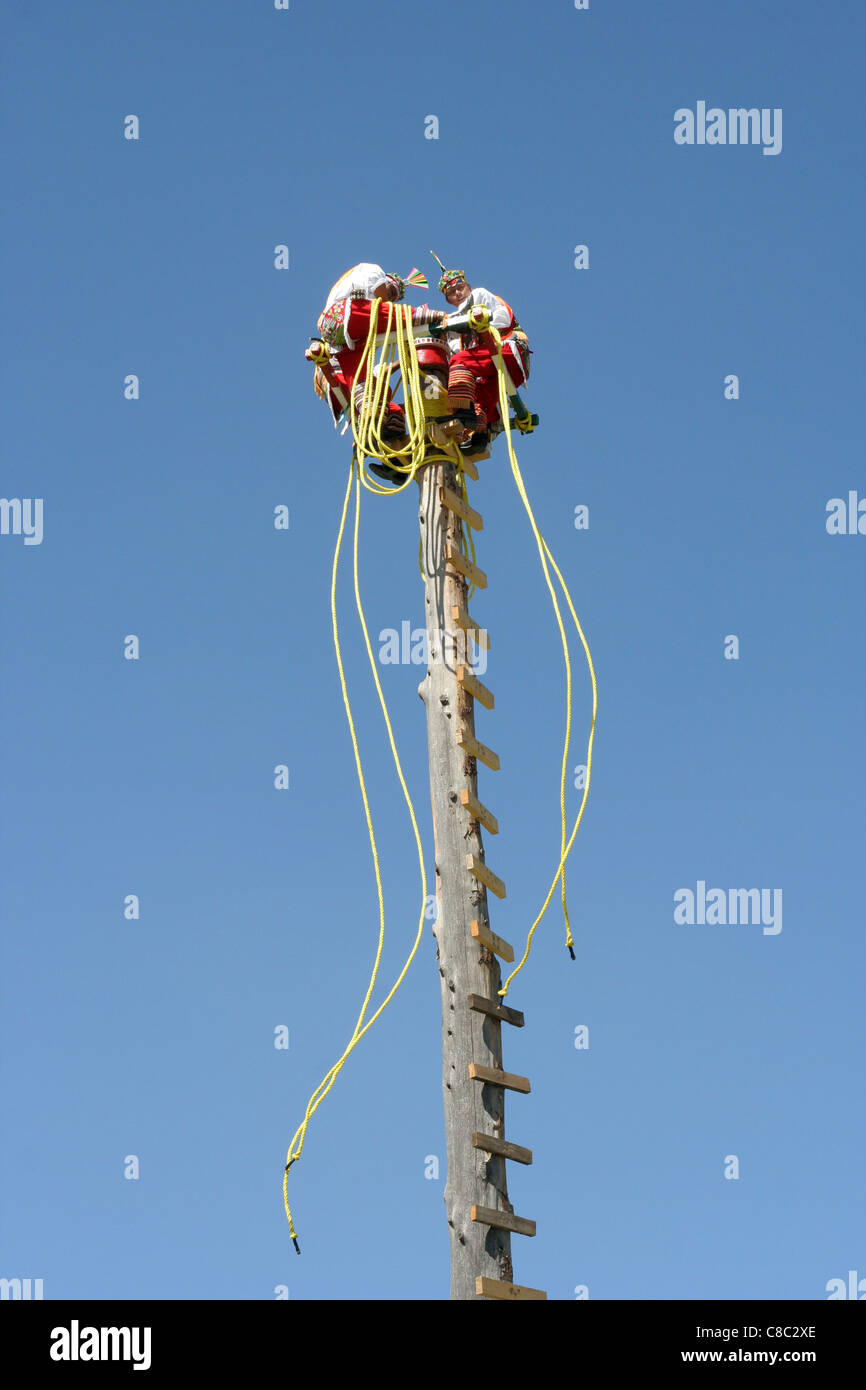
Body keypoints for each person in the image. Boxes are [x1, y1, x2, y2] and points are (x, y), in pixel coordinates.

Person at [314, 263, 444, 443]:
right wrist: (437, 318)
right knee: (397, 315)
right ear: (386, 281)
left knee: (363, 377)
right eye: (391, 293)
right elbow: (385, 305)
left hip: (341, 337)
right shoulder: (373, 270)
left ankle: (383, 435)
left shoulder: (368, 331)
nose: (390, 300)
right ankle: (439, 317)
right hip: (345, 313)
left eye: (394, 298)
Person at [434, 265, 531, 449]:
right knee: (480, 399)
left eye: (460, 288)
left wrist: (465, 322)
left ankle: (464, 414)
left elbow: (503, 318)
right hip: (495, 368)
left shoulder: (478, 295)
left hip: (507, 350)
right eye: (452, 293)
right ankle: (479, 438)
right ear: (448, 299)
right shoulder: (452, 323)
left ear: (468, 286)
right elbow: (455, 348)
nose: (458, 294)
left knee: (460, 362)